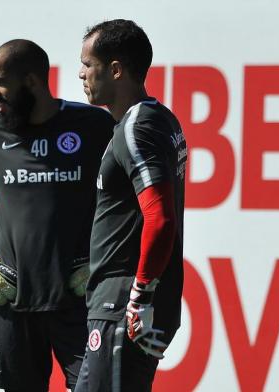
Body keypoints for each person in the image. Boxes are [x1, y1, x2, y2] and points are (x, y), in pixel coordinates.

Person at [0, 39, 114, 392]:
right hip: (13, 303)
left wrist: (102, 258)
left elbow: (132, 201)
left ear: (31, 82)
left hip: (81, 303)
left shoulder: (93, 124)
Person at [76, 20, 187, 392]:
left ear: (116, 69)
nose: (81, 74)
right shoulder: (155, 119)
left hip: (122, 306)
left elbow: (160, 218)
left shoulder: (137, 127)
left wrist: (140, 296)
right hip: (119, 305)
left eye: (87, 64)